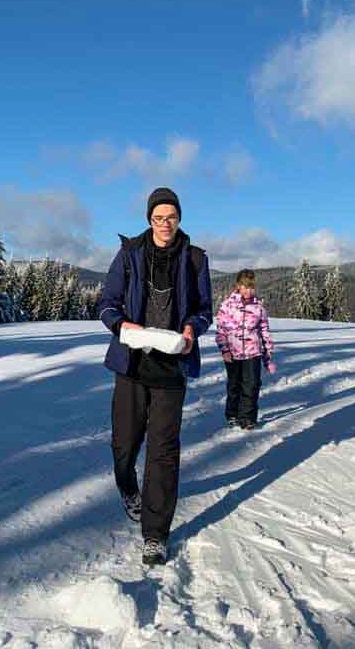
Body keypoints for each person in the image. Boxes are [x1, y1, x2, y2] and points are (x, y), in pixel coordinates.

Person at [97, 187, 213, 566]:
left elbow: (203, 310)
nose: (165, 224)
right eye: (158, 217)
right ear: (149, 219)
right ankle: (128, 486)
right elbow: (107, 304)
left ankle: (155, 534)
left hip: (171, 366)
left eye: (172, 217)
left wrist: (194, 328)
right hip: (131, 364)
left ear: (180, 219)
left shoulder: (194, 259)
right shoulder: (129, 254)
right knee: (124, 446)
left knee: (163, 452)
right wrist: (120, 325)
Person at [215, 269, 276, 430]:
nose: (248, 290)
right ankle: (232, 414)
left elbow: (265, 332)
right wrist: (225, 350)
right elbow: (221, 330)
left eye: (251, 287)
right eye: (245, 286)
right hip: (233, 353)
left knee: (252, 385)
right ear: (238, 286)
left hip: (252, 352)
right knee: (235, 385)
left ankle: (247, 418)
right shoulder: (228, 305)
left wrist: (268, 356)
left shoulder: (258, 308)